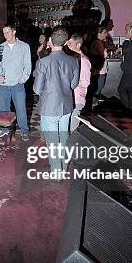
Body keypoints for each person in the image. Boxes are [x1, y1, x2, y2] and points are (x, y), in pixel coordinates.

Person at [33, 28, 79, 173]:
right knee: (64, 137)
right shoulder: (73, 60)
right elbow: (73, 85)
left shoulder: (43, 62)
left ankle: (57, 171)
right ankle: (64, 167)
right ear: (65, 42)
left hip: (49, 107)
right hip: (66, 105)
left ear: (51, 41)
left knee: (53, 141)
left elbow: (36, 89)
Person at [0, 24, 32, 141]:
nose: (5, 35)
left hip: (18, 84)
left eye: (7, 32)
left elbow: (28, 66)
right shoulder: (1, 47)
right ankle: (4, 128)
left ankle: (24, 130)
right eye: (4, 33)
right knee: (3, 108)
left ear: (14, 32)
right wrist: (0, 75)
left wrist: (22, 80)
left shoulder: (24, 47)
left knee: (20, 108)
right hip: (4, 85)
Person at [65, 34, 91, 131]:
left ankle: (72, 145)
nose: (67, 46)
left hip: (77, 98)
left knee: (73, 127)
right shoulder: (71, 58)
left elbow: (85, 82)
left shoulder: (83, 60)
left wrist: (69, 81)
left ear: (78, 45)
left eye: (70, 44)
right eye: (67, 44)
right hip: (68, 98)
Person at [87, 25, 109, 104]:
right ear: (99, 33)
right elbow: (99, 58)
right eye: (104, 33)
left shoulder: (98, 43)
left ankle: (93, 106)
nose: (106, 34)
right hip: (99, 70)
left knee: (98, 88)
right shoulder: (97, 43)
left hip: (99, 70)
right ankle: (93, 106)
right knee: (97, 88)